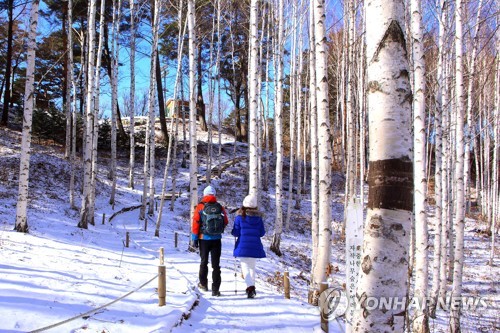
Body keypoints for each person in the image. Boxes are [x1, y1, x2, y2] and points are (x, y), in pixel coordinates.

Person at [191, 185, 228, 296]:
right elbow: (225, 221)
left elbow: (195, 223)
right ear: (214, 195)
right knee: (216, 265)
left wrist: (195, 238)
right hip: (217, 239)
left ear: (204, 194)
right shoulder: (219, 207)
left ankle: (203, 284)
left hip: (204, 239)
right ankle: (215, 290)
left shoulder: (200, 207)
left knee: (204, 262)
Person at [231, 194, 266, 298]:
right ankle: (251, 288)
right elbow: (261, 233)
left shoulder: (239, 218)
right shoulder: (259, 219)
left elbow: (236, 233)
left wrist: (233, 232)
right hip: (255, 246)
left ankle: (250, 287)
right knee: (252, 267)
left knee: (245, 267)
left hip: (243, 246)